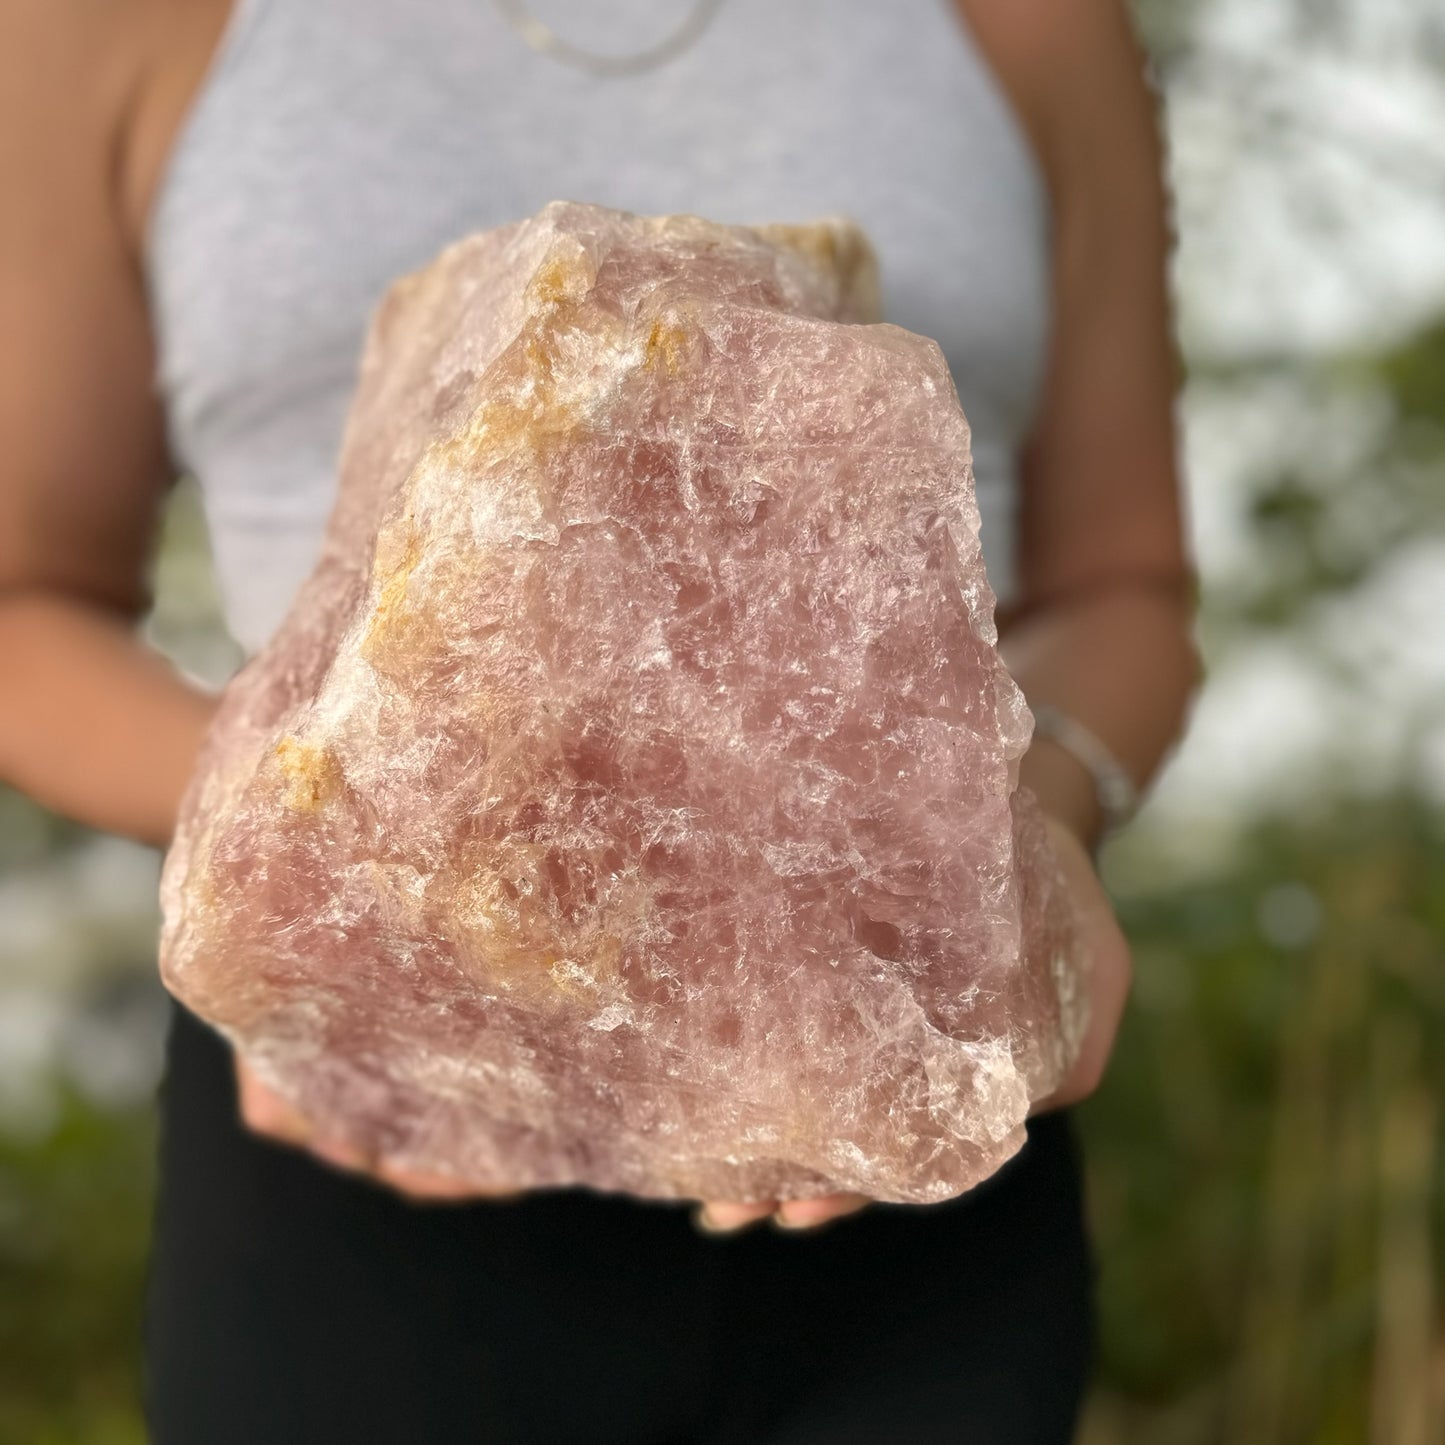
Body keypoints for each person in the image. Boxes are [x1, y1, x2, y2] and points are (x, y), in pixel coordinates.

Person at [0, 0, 1196, 1439]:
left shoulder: (1029, 25)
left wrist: (1029, 829)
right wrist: (297, 861)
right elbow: (23, 601)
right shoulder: (104, 24)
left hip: (895, 1105)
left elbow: (1121, 585)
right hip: (362, 1171)